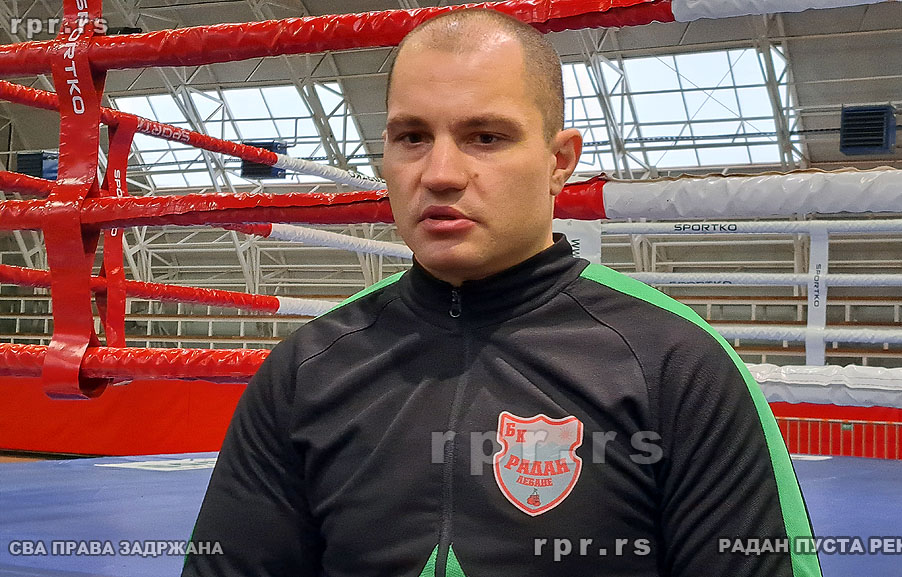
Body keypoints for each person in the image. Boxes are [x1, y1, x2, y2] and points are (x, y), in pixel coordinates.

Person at [182, 9, 822, 577]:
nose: (440, 174)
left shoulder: (674, 363)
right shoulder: (308, 370)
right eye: (412, 137)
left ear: (559, 161)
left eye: (485, 137)